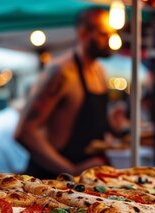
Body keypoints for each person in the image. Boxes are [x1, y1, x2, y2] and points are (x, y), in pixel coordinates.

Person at [15, 7, 124, 179]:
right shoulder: (61, 72)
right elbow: (25, 132)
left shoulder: (100, 71)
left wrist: (115, 126)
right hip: (53, 180)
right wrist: (71, 170)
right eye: (104, 34)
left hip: (85, 180)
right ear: (83, 33)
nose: (110, 40)